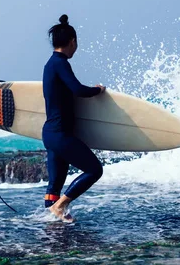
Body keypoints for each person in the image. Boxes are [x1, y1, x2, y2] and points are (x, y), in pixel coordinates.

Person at [42, 14, 105, 222]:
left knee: (55, 186)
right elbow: (78, 89)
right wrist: (97, 90)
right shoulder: (60, 63)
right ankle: (61, 206)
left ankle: (51, 224)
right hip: (60, 134)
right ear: (73, 42)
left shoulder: (50, 64)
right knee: (95, 170)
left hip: (51, 133)